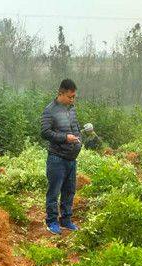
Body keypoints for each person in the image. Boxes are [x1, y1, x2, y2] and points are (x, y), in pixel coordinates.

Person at [41, 78, 82, 234]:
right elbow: (45, 132)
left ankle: (66, 220)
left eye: (74, 97)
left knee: (69, 191)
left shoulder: (71, 109)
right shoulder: (49, 110)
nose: (72, 100)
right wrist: (65, 138)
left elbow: (75, 127)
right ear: (61, 93)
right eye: (70, 97)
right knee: (54, 191)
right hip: (57, 158)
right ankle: (52, 221)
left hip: (71, 158)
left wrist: (80, 138)